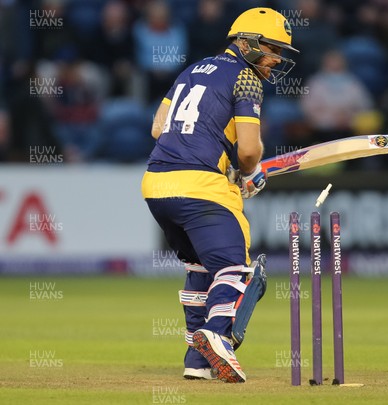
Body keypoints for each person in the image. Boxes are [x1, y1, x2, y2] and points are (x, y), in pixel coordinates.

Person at [141, 8, 298, 383]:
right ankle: (218, 333)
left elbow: (157, 128)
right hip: (201, 188)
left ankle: (196, 361)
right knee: (237, 269)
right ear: (246, 43)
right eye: (272, 48)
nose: (276, 59)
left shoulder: (191, 69)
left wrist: (220, 157)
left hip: (156, 184)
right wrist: (247, 172)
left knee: (199, 268)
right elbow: (248, 150)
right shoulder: (246, 78)